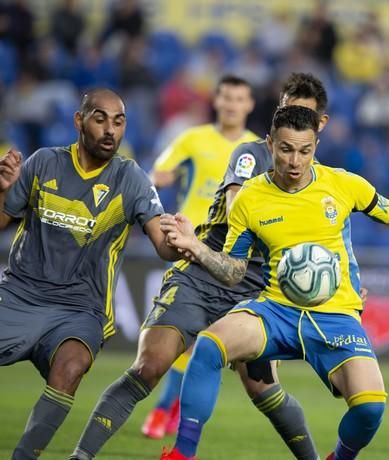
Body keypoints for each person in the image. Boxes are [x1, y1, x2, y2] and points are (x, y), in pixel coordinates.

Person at [159, 105, 389, 460]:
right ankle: (182, 453)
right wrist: (195, 248)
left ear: (316, 145)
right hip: (277, 309)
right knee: (208, 347)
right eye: (285, 150)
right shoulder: (250, 197)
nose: (295, 161)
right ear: (270, 145)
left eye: (305, 150)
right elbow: (234, 271)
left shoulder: (343, 184)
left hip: (336, 315)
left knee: (370, 409)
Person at [70, 73, 331, 460]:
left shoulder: (322, 179)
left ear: (320, 126)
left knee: (264, 390)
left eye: (303, 116)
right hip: (205, 271)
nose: (293, 122)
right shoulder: (249, 155)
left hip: (255, 288)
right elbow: (236, 208)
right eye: (286, 111)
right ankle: (81, 456)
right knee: (150, 365)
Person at [0, 88, 180, 460]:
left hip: (80, 308)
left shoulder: (130, 178)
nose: (111, 130)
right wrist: (2, 192)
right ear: (79, 121)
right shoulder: (43, 163)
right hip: (19, 295)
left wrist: (179, 240)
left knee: (72, 366)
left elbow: (162, 244)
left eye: (119, 121)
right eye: (101, 119)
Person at [142, 74, 258, 439]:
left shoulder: (259, 148)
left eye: (239, 98)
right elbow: (154, 177)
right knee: (186, 332)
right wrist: (153, 211)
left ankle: (172, 409)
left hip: (237, 253)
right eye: (226, 97)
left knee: (211, 340)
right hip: (193, 243)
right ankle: (166, 410)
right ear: (217, 102)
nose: (232, 104)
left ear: (249, 104)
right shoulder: (193, 139)